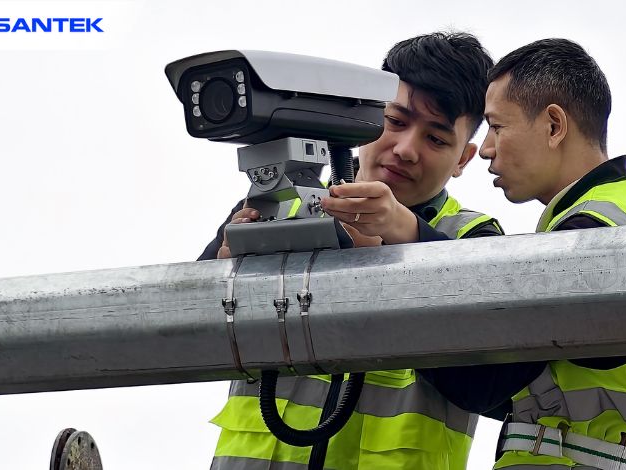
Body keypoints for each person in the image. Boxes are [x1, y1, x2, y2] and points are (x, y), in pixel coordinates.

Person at [199, 32, 502, 470]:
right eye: (395, 121)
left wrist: (402, 243)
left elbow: (489, 389)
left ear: (463, 159)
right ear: (365, 115)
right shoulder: (274, 208)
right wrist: (221, 282)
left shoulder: (473, 239)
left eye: (436, 139)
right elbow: (180, 345)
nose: (406, 149)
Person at [419, 38, 626, 470]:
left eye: (496, 127)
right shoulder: (615, 215)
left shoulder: (596, 234)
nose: (486, 149)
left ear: (553, 126)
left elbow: (483, 382)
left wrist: (406, 241)